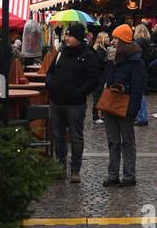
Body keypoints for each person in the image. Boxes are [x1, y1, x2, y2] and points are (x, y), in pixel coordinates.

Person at [45, 23, 103, 183]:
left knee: (76, 137)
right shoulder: (60, 52)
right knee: (58, 136)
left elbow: (94, 80)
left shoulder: (88, 55)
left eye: (70, 35)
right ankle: (60, 167)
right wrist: (50, 85)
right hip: (57, 101)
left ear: (78, 38)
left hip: (75, 104)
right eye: (66, 35)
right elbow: (49, 72)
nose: (66, 38)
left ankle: (75, 170)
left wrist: (78, 92)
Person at [103, 24, 146, 187]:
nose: (112, 41)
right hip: (111, 105)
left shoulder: (136, 62)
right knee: (113, 141)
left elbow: (137, 89)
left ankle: (129, 176)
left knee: (127, 142)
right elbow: (107, 83)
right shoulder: (113, 59)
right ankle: (113, 174)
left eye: (115, 38)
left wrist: (133, 110)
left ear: (122, 40)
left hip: (125, 105)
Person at [133, 23, 154, 125]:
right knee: (141, 93)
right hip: (145, 68)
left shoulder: (138, 42)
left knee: (139, 94)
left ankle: (142, 117)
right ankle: (142, 116)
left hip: (139, 69)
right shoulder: (149, 42)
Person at [91, 31, 111, 123]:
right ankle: (95, 116)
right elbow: (99, 65)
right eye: (106, 37)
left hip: (101, 76)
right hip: (99, 77)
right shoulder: (100, 51)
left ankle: (101, 114)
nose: (108, 39)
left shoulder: (103, 49)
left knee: (101, 95)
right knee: (98, 96)